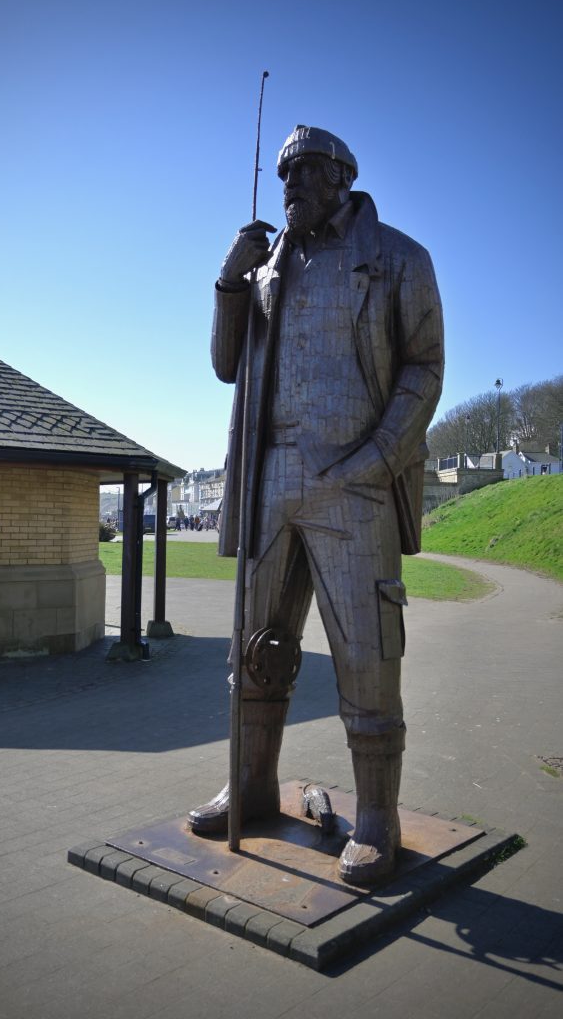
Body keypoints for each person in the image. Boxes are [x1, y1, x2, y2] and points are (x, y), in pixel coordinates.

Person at [188, 125, 444, 884]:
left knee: (367, 653)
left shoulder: (397, 257)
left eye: (302, 172)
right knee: (253, 648)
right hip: (268, 479)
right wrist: (229, 285)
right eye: (281, 175)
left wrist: (374, 461)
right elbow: (224, 365)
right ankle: (253, 785)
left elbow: (424, 368)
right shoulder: (267, 267)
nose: (289, 185)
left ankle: (374, 818)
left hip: (355, 483)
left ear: (341, 176)